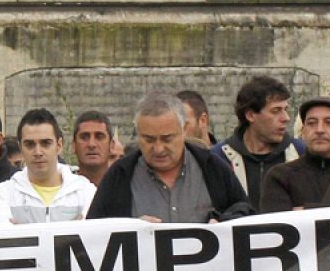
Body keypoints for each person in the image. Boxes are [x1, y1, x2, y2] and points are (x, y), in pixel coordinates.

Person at [88, 93, 252, 223]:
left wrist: (223, 223)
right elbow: (94, 233)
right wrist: (130, 229)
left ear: (184, 130)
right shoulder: (119, 175)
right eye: (149, 139)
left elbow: (246, 214)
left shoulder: (212, 168)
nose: (158, 149)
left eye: (167, 139)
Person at [0, 109, 95, 225]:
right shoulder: (4, 193)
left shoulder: (86, 191)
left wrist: (20, 232)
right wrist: (71, 231)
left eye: (45, 143)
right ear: (21, 148)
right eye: (30, 144)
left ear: (59, 146)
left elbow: (94, 239)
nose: (38, 152)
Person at [212, 76, 304, 211]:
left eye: (285, 109)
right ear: (250, 115)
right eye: (276, 111)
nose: (286, 118)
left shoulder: (301, 153)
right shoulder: (218, 158)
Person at [261, 98, 330, 212]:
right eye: (311, 123)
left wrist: (304, 210)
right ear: (303, 132)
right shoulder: (280, 177)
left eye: (329, 122)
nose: (319, 130)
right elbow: (275, 223)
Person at [71, 111, 115, 187]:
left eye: (99, 137)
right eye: (84, 137)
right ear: (73, 145)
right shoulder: (61, 188)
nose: (92, 144)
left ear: (111, 145)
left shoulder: (125, 187)